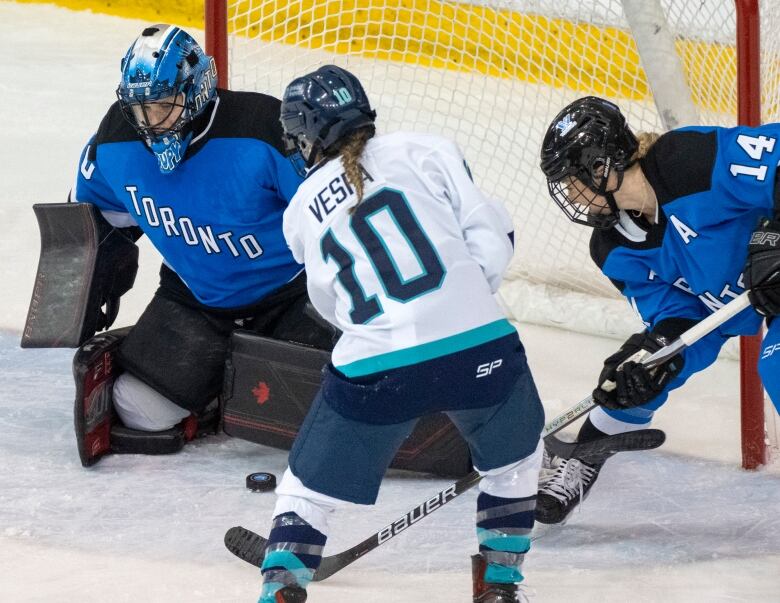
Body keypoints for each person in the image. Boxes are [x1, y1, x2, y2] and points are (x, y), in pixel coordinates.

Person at [252, 65, 545, 603]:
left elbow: (330, 301)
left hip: (377, 364)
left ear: (306, 134)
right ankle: (501, 586)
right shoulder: (428, 148)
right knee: (518, 460)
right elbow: (490, 231)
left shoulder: (299, 212)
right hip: (481, 344)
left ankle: (281, 588)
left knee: (305, 489)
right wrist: (460, 302)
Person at [68, 24, 334, 459]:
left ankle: (229, 377)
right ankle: (212, 396)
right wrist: (92, 290)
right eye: (138, 110)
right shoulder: (114, 143)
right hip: (195, 300)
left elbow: (335, 217)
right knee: (139, 411)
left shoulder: (265, 129)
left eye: (162, 107)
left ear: (196, 91)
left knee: (321, 410)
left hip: (293, 294)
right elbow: (96, 224)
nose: (149, 124)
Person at [536, 95, 780, 523]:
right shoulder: (612, 247)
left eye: (571, 180)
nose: (570, 196)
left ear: (601, 167)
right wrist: (658, 348)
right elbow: (681, 316)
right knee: (645, 367)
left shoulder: (687, 159)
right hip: (766, 299)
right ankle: (587, 454)